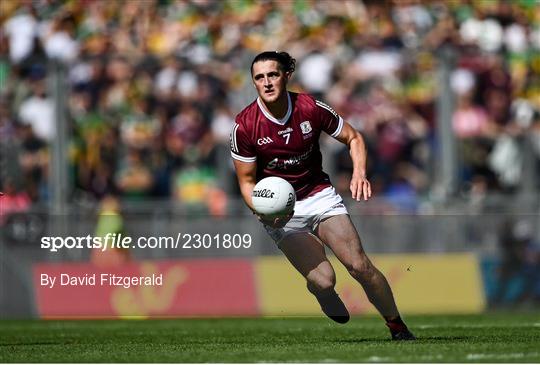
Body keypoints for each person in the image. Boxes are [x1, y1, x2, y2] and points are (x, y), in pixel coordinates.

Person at [230, 51, 415, 341]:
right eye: (259, 77)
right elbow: (246, 181)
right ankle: (324, 295)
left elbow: (353, 137)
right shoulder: (245, 126)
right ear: (254, 82)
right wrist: (261, 209)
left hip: (319, 194)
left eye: (273, 75)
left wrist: (359, 173)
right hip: (280, 211)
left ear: (286, 76)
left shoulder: (310, 107)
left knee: (359, 266)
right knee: (324, 280)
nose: (266, 83)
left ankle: (397, 326)